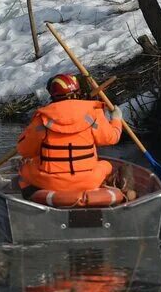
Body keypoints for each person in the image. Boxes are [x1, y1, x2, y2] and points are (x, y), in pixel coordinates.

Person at [16, 73, 124, 202]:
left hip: (51, 183)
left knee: (24, 167)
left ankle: (30, 197)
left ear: (53, 95)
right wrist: (116, 120)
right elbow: (112, 138)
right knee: (107, 165)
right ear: (78, 91)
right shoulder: (93, 114)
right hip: (89, 181)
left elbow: (25, 151)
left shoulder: (41, 119)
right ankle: (111, 187)